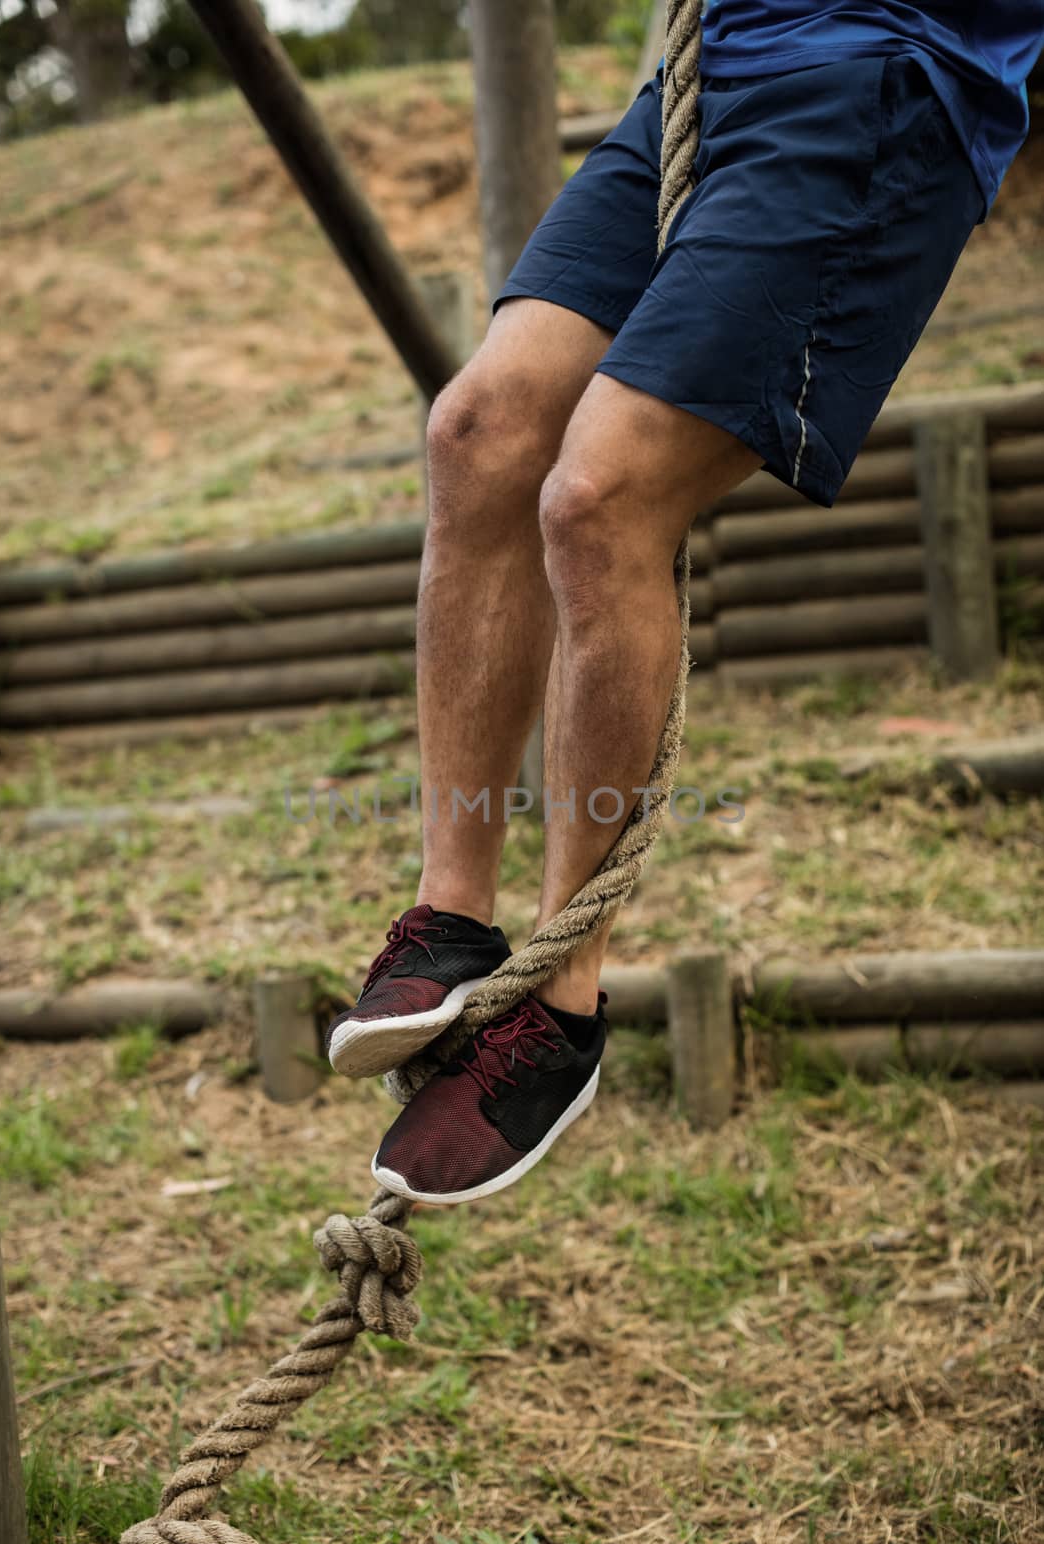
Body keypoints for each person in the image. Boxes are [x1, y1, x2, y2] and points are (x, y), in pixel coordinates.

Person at [328, 2, 1044, 1206]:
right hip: (710, 64)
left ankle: (557, 1003)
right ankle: (449, 917)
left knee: (595, 496)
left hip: (883, 63)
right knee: (476, 432)